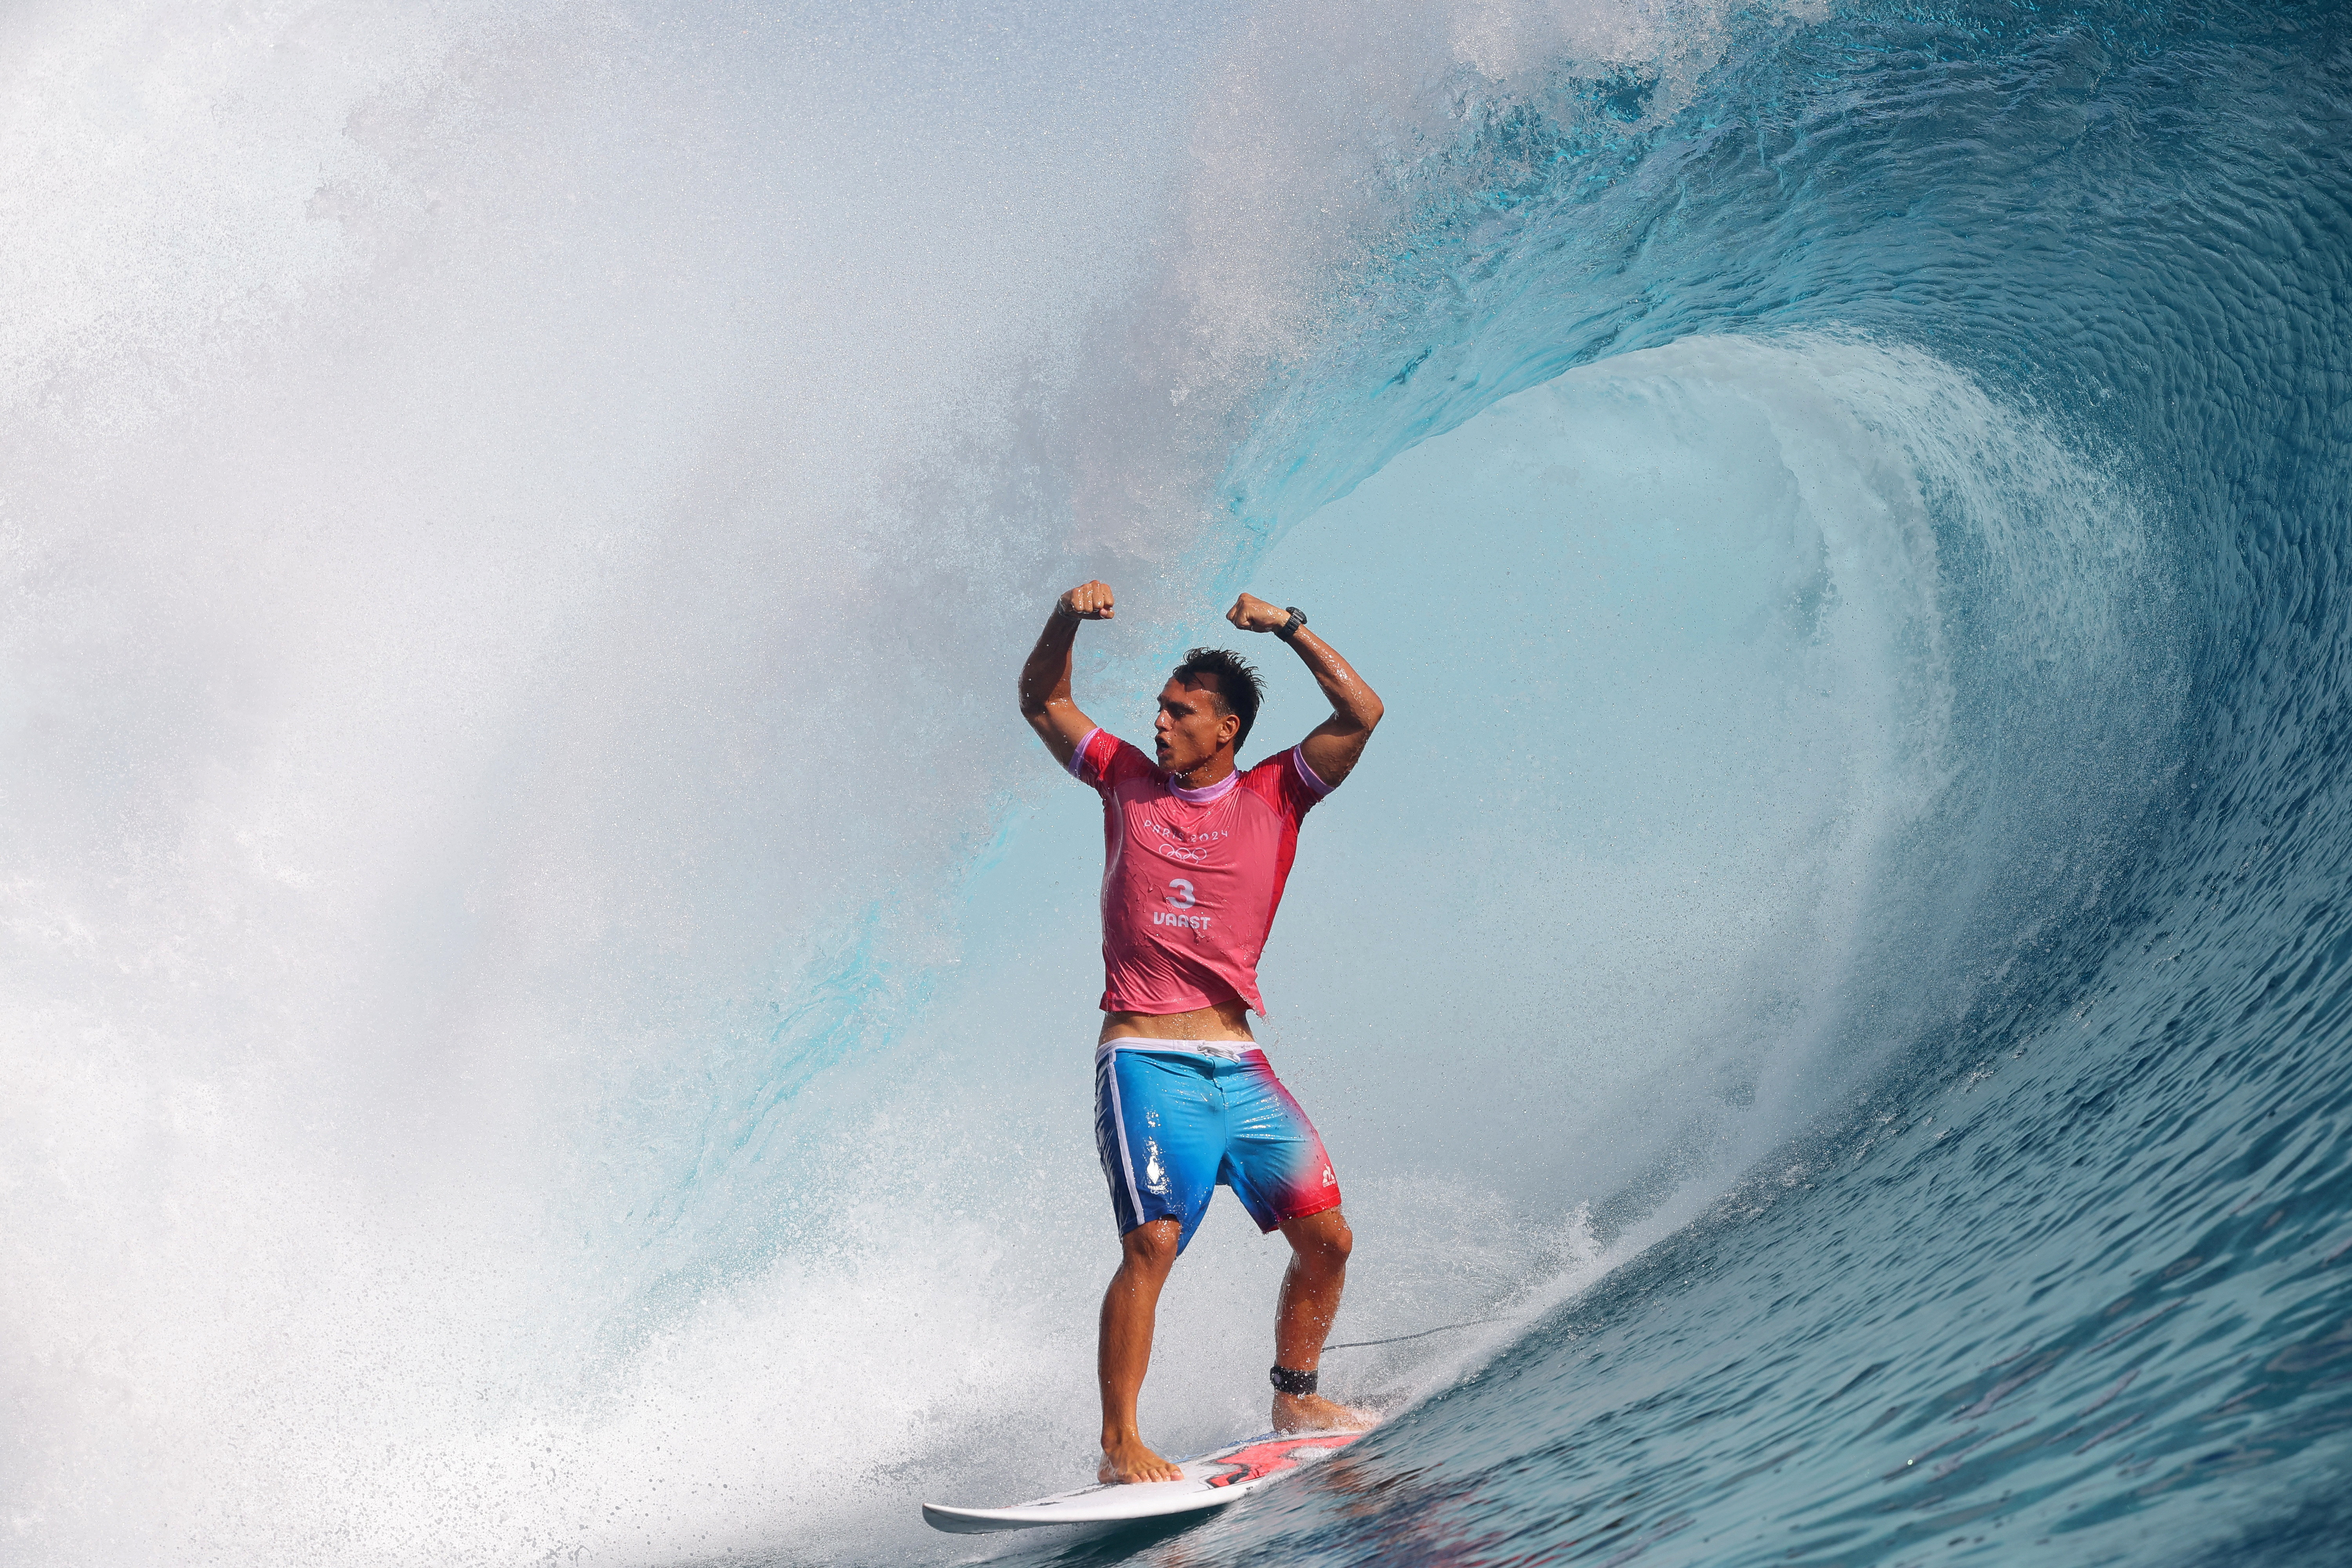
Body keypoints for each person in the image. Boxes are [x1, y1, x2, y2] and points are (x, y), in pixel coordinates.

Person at [1017, 579, 1387, 1485]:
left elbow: (1362, 709)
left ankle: (1296, 1392)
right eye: (1159, 706)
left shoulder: (1277, 794)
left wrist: (1291, 625)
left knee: (1329, 1238)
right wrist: (1067, 616)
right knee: (1152, 1244)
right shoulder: (1122, 777)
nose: (1159, 722)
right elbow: (1043, 700)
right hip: (1144, 1057)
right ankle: (1120, 1444)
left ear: (1226, 728)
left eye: (1180, 712)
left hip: (1237, 1060)